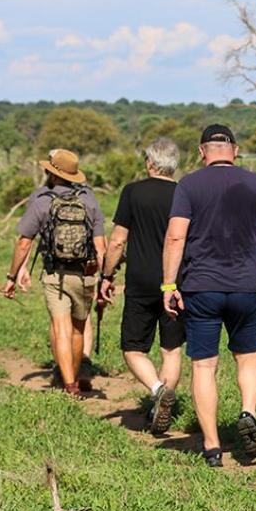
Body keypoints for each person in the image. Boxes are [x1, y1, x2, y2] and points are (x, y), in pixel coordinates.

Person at [162, 124, 256, 467]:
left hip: (200, 287)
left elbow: (175, 238)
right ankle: (248, 412)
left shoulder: (188, 184)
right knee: (248, 357)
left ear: (202, 152)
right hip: (247, 286)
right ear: (234, 149)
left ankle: (213, 445)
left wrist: (169, 285)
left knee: (204, 365)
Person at [3, 148, 108, 397]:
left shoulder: (42, 199)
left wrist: (12, 276)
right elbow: (101, 245)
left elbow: (24, 242)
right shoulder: (89, 199)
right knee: (78, 329)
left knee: (60, 327)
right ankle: (79, 372)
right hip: (85, 275)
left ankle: (68, 384)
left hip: (54, 275)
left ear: (53, 174)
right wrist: (105, 279)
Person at [98, 138, 185, 433]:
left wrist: (107, 275)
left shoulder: (132, 192)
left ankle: (158, 389)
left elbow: (119, 239)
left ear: (150, 162)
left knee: (133, 348)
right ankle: (164, 402)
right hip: (176, 282)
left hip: (139, 280)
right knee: (171, 349)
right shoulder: (184, 193)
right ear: (174, 164)